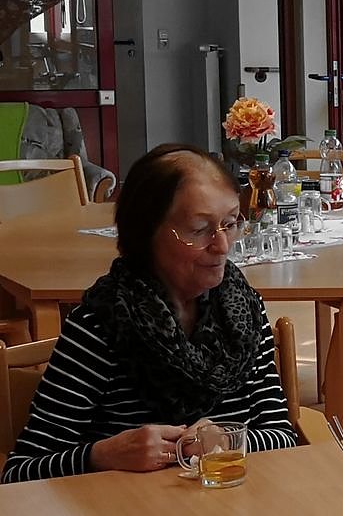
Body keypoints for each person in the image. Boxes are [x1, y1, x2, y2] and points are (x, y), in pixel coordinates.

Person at [2, 144, 297, 483]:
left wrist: (229, 441)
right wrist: (101, 455)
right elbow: (20, 473)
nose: (222, 245)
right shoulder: (102, 325)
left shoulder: (241, 312)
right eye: (199, 230)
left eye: (230, 223)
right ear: (146, 233)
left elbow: (282, 436)